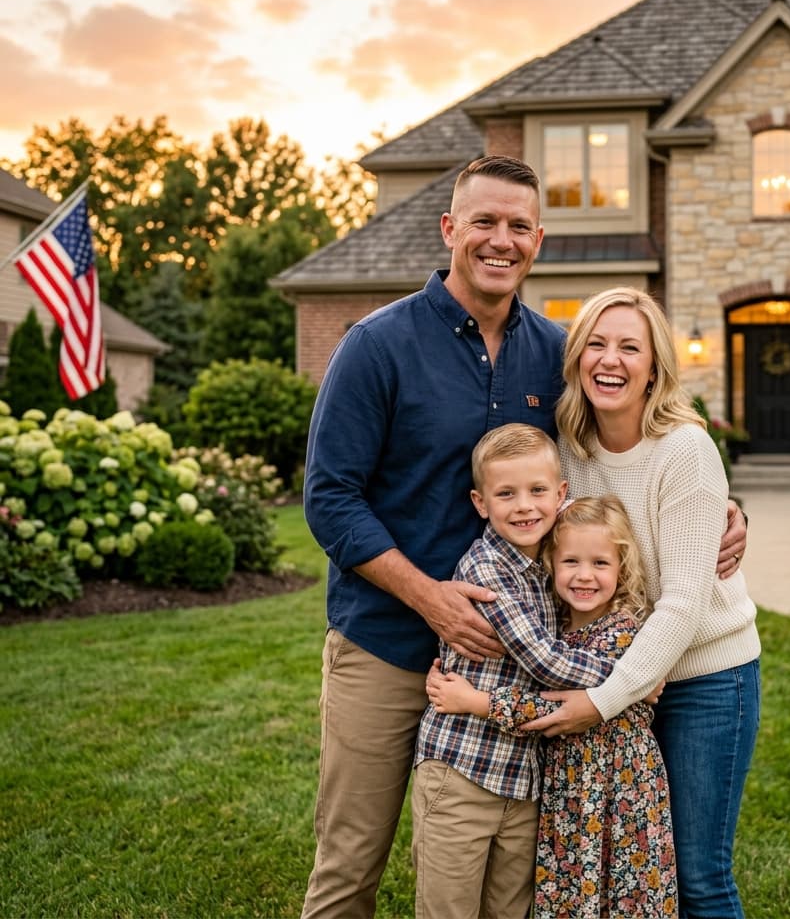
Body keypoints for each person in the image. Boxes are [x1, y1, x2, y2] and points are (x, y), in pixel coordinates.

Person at [300, 155, 748, 918]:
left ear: (537, 240)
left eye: (517, 226)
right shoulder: (377, 345)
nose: (499, 240)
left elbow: (633, 433)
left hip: (515, 664)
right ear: (450, 229)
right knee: (350, 867)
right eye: (484, 222)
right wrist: (431, 599)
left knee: (512, 879)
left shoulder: (555, 352)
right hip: (385, 643)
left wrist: (723, 507)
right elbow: (329, 498)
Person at [523, 287, 762, 919]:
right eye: (596, 344)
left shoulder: (685, 450)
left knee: (699, 878)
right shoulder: (569, 452)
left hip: (707, 679)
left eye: (631, 346)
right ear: (576, 360)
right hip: (627, 676)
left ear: (655, 366)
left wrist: (600, 702)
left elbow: (683, 601)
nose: (611, 360)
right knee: (639, 873)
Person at [428, 495, 678, 919]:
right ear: (551, 565)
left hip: (618, 789)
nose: (584, 576)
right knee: (573, 888)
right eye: (571, 563)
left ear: (622, 569)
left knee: (622, 893)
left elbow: (548, 707)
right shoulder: (554, 626)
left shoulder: (625, 632)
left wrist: (476, 701)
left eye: (600, 564)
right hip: (570, 789)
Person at [412, 424, 615, 919]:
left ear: (561, 495)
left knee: (510, 910)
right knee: (449, 909)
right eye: (506, 494)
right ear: (481, 503)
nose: (524, 506)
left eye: (538, 491)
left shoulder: (554, 565)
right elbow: (545, 660)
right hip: (463, 772)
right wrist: (631, 675)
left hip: (524, 780)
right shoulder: (487, 569)